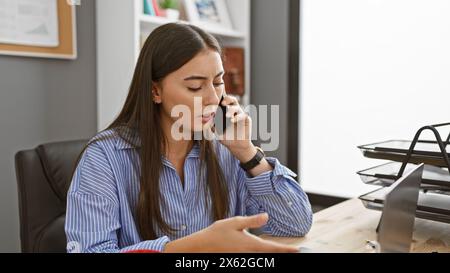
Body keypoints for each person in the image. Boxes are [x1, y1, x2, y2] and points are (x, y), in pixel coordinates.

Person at [65, 23, 312, 253]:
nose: (213, 98)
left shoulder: (226, 150)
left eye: (218, 82)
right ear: (155, 91)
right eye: (195, 87)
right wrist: (196, 245)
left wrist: (249, 155)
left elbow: (295, 225)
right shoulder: (103, 158)